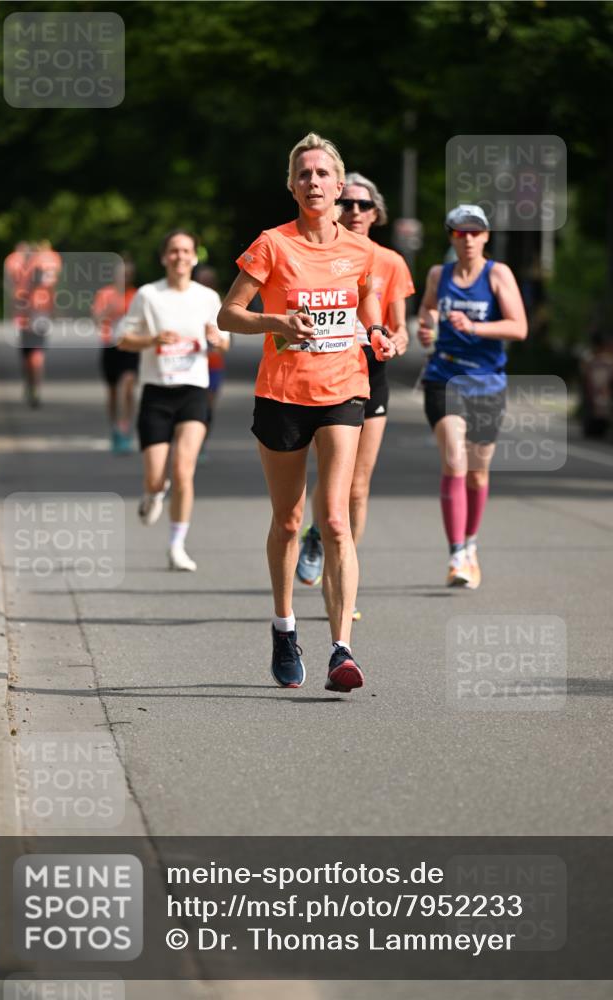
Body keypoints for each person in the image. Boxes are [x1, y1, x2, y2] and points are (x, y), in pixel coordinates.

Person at [218, 132, 395, 693]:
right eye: (304, 174)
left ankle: (341, 648)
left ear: (340, 187)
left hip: (345, 389)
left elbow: (366, 308)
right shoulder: (273, 244)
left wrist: (378, 334)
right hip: (282, 395)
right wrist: (275, 324)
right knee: (289, 520)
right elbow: (228, 314)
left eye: (323, 174)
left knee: (337, 518)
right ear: (291, 185)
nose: (314, 182)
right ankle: (284, 627)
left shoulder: (362, 251)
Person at [296, 173, 414, 620]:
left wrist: (396, 340)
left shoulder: (391, 262)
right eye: (347, 203)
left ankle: (342, 583)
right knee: (330, 480)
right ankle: (316, 533)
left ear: (377, 213)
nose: (355, 211)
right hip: (324, 372)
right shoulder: (322, 250)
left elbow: (398, 324)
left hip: (372, 372)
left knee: (358, 488)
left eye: (364, 205)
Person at [417, 204, 528, 588]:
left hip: (487, 382)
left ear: (486, 236)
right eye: (460, 232)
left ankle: (472, 543)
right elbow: (428, 311)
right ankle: (457, 554)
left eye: (474, 232)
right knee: (454, 458)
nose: (467, 239)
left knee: (478, 475)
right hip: (443, 375)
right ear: (452, 236)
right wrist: (426, 329)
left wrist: (476, 328)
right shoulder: (438, 274)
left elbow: (519, 327)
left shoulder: (498, 274)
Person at [117, 230, 229, 571]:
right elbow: (122, 339)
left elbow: (224, 342)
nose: (180, 256)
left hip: (194, 390)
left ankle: (177, 545)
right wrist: (152, 339)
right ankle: (154, 493)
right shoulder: (149, 296)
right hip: (156, 392)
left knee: (184, 470)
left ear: (194, 257)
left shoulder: (208, 297)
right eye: (173, 251)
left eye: (186, 251)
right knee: (156, 477)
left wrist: (215, 339)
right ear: (164, 257)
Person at [5, 240, 62, 407]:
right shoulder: (48, 261)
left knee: (32, 352)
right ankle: (33, 386)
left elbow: (18, 289)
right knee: (33, 352)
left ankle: (33, 386)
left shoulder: (32, 265)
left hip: (33, 312)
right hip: (38, 312)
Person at [92, 258, 138, 452]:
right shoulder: (105, 294)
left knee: (127, 386)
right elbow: (96, 319)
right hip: (110, 346)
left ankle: (125, 427)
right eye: (122, 274)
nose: (125, 277)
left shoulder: (137, 295)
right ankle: (115, 427)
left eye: (128, 274)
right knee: (112, 392)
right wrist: (109, 311)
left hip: (130, 347)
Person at [194, 265, 230, 446]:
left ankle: (201, 443)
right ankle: (191, 443)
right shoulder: (188, 302)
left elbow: (226, 344)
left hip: (213, 366)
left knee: (207, 407)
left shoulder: (218, 303)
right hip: (191, 366)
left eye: (209, 281)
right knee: (193, 406)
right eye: (203, 280)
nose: (206, 284)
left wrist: (216, 341)